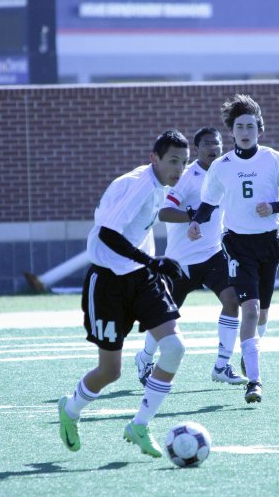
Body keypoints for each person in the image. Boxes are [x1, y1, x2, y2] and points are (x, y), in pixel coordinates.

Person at [58, 130, 190, 458]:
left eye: (183, 163)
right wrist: (153, 261)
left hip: (141, 279)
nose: (179, 169)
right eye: (173, 161)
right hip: (107, 284)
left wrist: (153, 266)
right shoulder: (142, 185)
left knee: (174, 348)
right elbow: (107, 234)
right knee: (110, 372)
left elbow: (138, 231)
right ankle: (70, 410)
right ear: (154, 158)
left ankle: (140, 425)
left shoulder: (162, 186)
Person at [188, 95, 279, 404]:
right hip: (238, 244)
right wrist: (196, 222)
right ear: (232, 132)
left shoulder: (275, 159)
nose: (245, 131)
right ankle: (255, 380)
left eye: (250, 126)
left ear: (259, 129)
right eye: (240, 126)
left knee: (262, 313)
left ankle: (249, 354)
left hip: (268, 243)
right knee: (248, 309)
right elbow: (209, 203)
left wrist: (273, 206)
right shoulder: (222, 166)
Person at [135, 127, 246, 387]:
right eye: (207, 143)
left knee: (232, 301)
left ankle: (222, 365)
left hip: (213, 255)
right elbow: (164, 212)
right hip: (180, 261)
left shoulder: (226, 173)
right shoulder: (187, 177)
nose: (213, 148)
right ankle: (145, 357)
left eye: (217, 143)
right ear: (197, 149)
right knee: (165, 316)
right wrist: (194, 216)